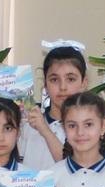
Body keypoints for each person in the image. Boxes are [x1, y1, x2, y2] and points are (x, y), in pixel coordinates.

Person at [18, 40, 89, 170]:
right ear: (45, 84)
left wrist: (44, 129)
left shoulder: (90, 128)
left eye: (71, 79)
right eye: (54, 79)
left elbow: (76, 169)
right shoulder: (28, 124)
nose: (63, 87)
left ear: (84, 83)